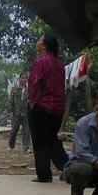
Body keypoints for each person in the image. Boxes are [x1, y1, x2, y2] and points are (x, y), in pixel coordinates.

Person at [28, 31, 68, 182]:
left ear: (44, 45)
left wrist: (32, 103)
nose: (36, 42)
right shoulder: (59, 64)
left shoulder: (40, 62)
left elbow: (34, 84)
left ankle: (44, 175)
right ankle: (69, 169)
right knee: (53, 141)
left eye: (39, 40)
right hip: (57, 110)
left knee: (40, 142)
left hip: (42, 108)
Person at [8, 72, 30, 152]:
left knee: (26, 131)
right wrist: (10, 111)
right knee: (14, 130)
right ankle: (11, 145)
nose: (23, 79)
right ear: (19, 79)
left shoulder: (29, 90)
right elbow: (10, 101)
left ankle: (26, 147)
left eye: (25, 78)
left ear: (27, 80)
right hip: (16, 113)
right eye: (22, 78)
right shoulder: (14, 89)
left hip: (26, 113)